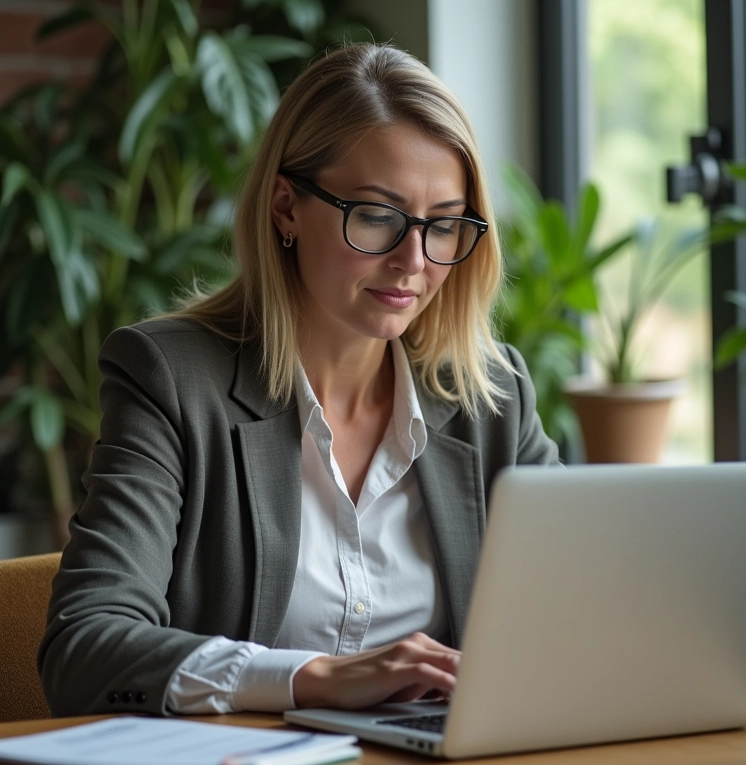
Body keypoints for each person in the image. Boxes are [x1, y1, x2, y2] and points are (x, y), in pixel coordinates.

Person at [38, 42, 560, 718]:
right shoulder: (170, 380)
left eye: (443, 226)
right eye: (376, 215)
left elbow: (577, 610)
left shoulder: (490, 396)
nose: (414, 261)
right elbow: (84, 650)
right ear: (286, 206)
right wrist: (311, 677)